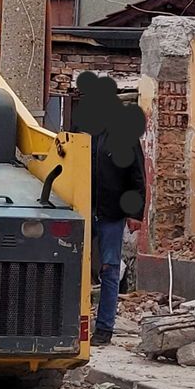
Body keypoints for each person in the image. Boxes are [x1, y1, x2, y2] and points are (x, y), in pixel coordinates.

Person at [72, 72, 146, 347]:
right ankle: (72, 324)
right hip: (82, 210)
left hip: (112, 213)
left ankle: (104, 328)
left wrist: (136, 214)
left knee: (110, 268)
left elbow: (137, 175)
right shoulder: (83, 134)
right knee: (75, 266)